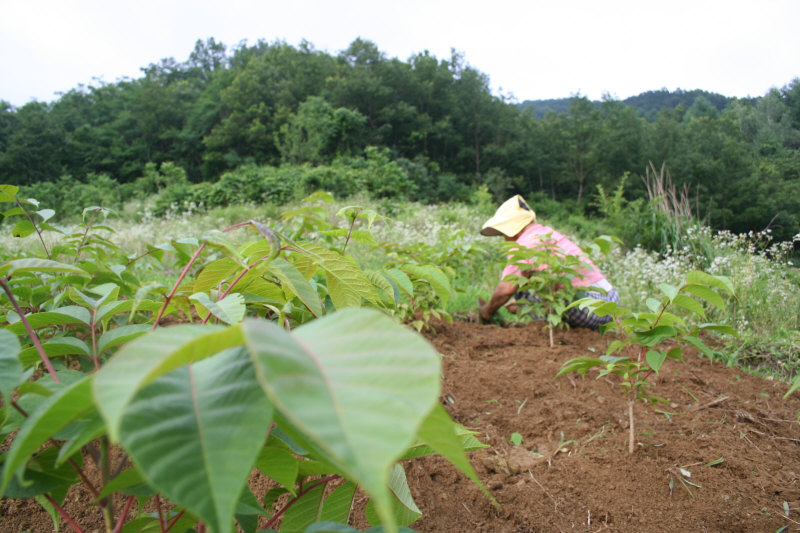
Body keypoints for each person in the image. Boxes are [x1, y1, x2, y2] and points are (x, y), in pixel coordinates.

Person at [477, 194, 619, 329]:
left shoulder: (524, 244)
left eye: (503, 234)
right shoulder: (547, 234)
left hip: (588, 309)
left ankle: (555, 328)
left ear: (511, 229)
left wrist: (487, 311)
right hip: (610, 304)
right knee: (532, 283)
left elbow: (505, 290)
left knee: (520, 286)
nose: (505, 238)